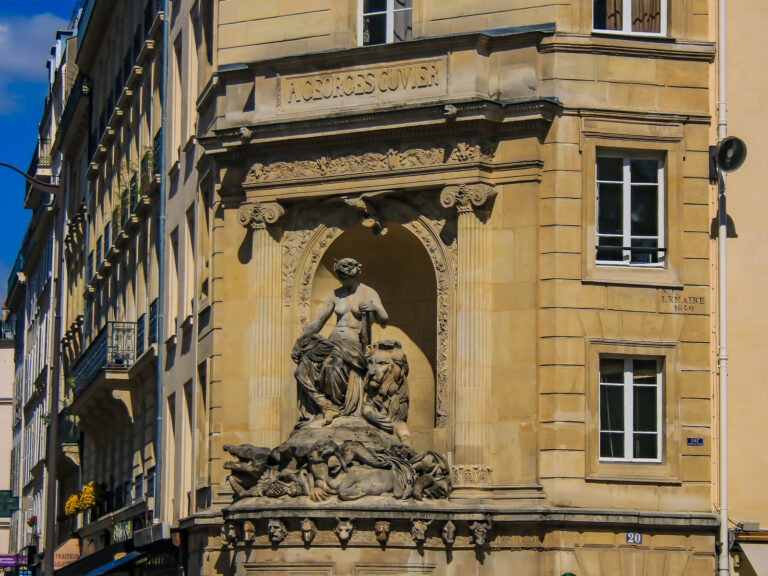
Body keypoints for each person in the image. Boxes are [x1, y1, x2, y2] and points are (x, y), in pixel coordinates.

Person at [292, 258, 388, 425]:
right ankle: (326, 405)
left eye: (344, 277)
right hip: (332, 342)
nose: (341, 280)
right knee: (301, 370)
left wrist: (374, 308)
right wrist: (300, 340)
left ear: (354, 274)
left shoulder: (368, 292)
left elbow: (384, 319)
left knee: (332, 366)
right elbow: (318, 322)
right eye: (340, 277)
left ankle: (336, 407)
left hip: (353, 345)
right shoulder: (335, 294)